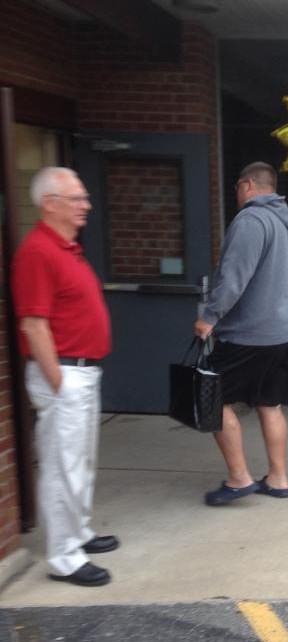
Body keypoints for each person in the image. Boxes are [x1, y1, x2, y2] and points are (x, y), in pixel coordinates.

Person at [11, 167, 118, 587]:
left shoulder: (66, 248)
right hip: (65, 374)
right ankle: (64, 557)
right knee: (62, 467)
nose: (85, 205)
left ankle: (79, 532)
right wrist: (58, 382)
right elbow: (33, 324)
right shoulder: (37, 252)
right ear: (49, 203)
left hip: (82, 372)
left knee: (81, 463)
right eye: (77, 199)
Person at [194, 162, 288, 506]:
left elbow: (234, 277)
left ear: (247, 185)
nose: (236, 195)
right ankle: (277, 479)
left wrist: (209, 316)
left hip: (252, 333)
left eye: (237, 188)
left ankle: (240, 479)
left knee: (209, 396)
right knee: (269, 404)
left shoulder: (250, 221)